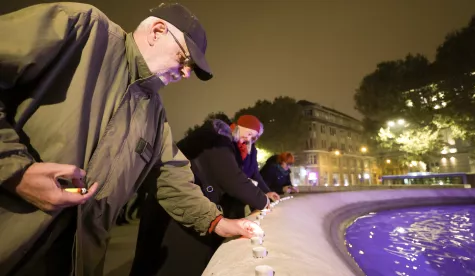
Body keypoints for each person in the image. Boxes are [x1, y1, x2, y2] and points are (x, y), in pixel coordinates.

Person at [0, 3, 261, 275]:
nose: (185, 74)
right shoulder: (82, 28)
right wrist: (16, 172)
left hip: (76, 260)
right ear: (157, 31)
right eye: (185, 60)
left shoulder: (155, 114)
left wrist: (218, 222)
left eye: (191, 69)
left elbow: (172, 177)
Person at [131, 115, 275, 275]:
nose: (249, 140)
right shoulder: (216, 140)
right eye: (249, 134)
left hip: (185, 208)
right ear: (237, 127)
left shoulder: (221, 141)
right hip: (176, 212)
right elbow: (231, 178)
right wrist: (262, 200)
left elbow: (248, 174)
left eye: (253, 138)